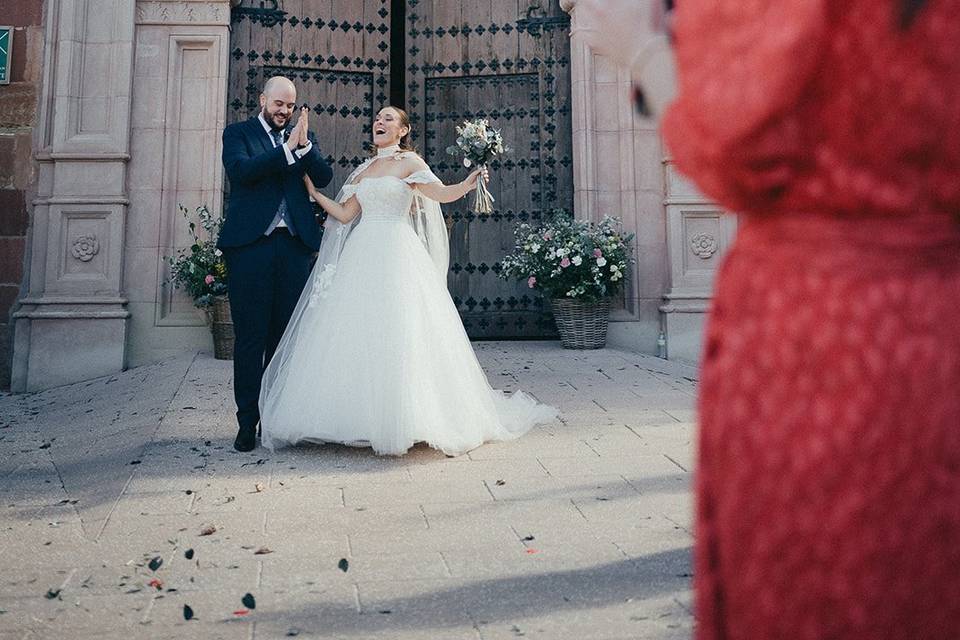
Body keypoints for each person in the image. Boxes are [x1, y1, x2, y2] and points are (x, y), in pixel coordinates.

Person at [574, 0, 960, 638]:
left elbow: (737, 146)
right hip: (939, 321)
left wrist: (641, 51)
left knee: (815, 583)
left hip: (821, 334)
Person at [258, 106, 557, 456]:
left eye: (388, 119)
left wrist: (469, 180)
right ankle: (356, 417)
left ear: (403, 130)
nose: (379, 123)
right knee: (358, 330)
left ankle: (408, 417)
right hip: (362, 253)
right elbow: (344, 214)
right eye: (378, 119)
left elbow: (442, 194)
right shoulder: (365, 169)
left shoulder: (410, 164)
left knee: (402, 329)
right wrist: (312, 191)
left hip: (398, 252)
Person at [218, 76, 333, 452]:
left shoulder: (301, 136)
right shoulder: (238, 134)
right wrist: (285, 151)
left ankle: (277, 417)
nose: (284, 111)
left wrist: (304, 149)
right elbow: (241, 173)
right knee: (251, 337)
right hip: (250, 247)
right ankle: (246, 422)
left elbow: (324, 177)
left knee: (284, 339)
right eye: (279, 104)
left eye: (290, 105)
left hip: (294, 247)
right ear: (264, 100)